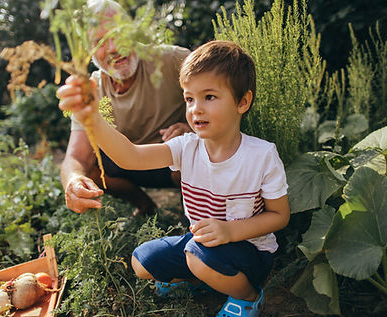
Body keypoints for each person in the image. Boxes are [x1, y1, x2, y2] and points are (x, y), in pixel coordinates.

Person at [58, 40, 290, 317]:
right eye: (189, 99)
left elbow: (279, 216)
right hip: (202, 245)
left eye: (209, 97)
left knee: (196, 255)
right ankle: (201, 280)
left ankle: (249, 297)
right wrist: (92, 119)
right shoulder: (186, 146)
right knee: (142, 261)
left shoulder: (261, 155)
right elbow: (130, 157)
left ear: (243, 102)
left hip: (250, 252)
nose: (196, 109)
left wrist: (230, 231)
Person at [59, 0, 191, 216]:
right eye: (99, 41)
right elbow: (75, 157)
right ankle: (145, 206)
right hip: (129, 165)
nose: (113, 48)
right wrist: (73, 180)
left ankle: (194, 214)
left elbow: (223, 101)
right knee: (91, 169)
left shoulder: (174, 61)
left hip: (175, 163)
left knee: (195, 151)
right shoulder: (90, 90)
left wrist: (193, 129)